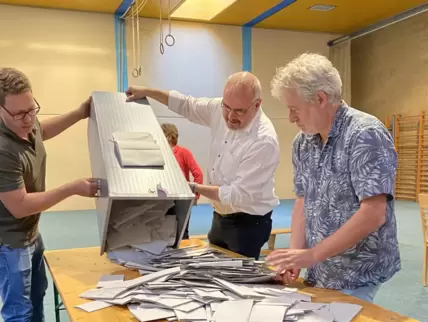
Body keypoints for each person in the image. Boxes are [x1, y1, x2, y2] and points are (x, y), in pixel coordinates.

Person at [266, 53, 400, 303]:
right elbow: (302, 202)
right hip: (321, 268)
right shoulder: (303, 142)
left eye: (294, 109)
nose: (291, 118)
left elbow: (373, 213)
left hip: (358, 270)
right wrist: (296, 255)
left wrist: (313, 254)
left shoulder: (365, 134)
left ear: (320, 99)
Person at [0, 67, 99, 321]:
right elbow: (19, 206)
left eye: (32, 109)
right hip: (6, 237)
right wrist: (72, 188)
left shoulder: (24, 122)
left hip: (29, 229)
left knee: (37, 293)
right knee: (19, 311)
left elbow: (44, 130)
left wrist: (79, 113)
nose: (29, 119)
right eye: (20, 113)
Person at [126, 71, 280, 260]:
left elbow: (237, 194)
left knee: (238, 280)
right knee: (214, 270)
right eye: (227, 107)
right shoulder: (219, 108)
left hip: (249, 222)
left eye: (239, 111)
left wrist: (191, 187)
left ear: (257, 105)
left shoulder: (263, 140)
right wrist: (148, 92)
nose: (230, 116)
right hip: (220, 215)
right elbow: (187, 105)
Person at [161, 123, 203, 239]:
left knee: (181, 231)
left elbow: (198, 173)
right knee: (168, 230)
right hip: (167, 196)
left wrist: (195, 195)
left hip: (181, 197)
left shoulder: (183, 152)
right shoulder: (162, 153)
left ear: (167, 136)